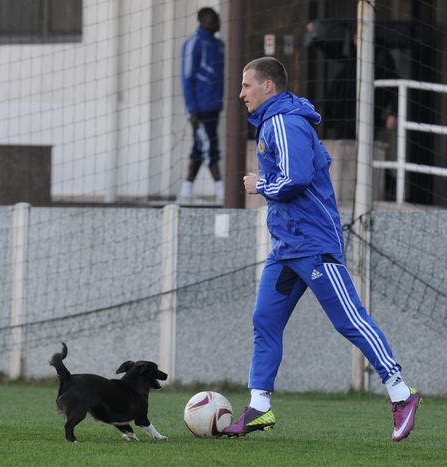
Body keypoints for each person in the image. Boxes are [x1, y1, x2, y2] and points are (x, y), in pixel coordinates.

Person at [222, 57, 421, 442]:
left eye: (247, 85)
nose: (241, 93)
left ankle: (401, 393)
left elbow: (295, 179)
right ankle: (259, 406)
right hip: (287, 246)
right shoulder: (272, 122)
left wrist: (260, 185)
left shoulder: (284, 123)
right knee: (265, 319)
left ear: (268, 87)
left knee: (350, 320)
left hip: (313, 244)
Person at [178, 7, 225, 204]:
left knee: (200, 146)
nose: (218, 23)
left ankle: (186, 191)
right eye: (214, 19)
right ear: (203, 21)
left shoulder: (219, 45)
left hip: (215, 106)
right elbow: (187, 78)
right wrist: (192, 110)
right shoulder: (193, 44)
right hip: (200, 108)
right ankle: (221, 190)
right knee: (208, 145)